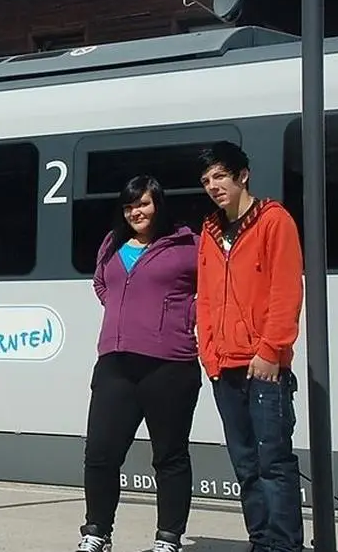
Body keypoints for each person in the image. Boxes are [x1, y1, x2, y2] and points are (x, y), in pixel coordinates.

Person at [77, 175, 202, 552]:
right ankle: (97, 532)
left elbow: (215, 290)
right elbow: (101, 284)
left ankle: (168, 538)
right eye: (130, 206)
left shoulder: (188, 244)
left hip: (170, 365)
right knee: (100, 453)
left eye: (143, 204)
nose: (136, 212)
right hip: (115, 363)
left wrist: (179, 316)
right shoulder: (112, 243)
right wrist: (125, 311)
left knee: (169, 455)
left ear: (159, 204)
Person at [195, 141, 305, 552]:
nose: (213, 186)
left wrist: (271, 350)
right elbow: (205, 298)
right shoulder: (209, 231)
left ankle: (285, 546)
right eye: (206, 180)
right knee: (245, 465)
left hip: (264, 366)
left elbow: (286, 290)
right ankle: (261, 542)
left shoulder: (274, 221)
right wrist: (209, 355)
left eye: (220, 176)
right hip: (224, 366)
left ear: (243, 175)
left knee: (273, 462)